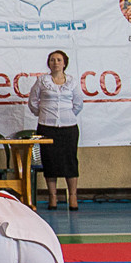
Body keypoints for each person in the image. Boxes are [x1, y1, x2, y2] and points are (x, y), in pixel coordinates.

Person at [27, 49, 84, 210]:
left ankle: (72, 196)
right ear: (49, 63)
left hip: (69, 128)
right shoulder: (42, 81)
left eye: (59, 60)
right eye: (52, 60)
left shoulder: (72, 82)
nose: (55, 63)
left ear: (64, 63)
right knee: (49, 161)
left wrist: (67, 116)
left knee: (70, 161)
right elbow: (33, 101)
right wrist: (43, 114)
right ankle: (52, 197)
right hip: (47, 127)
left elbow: (78, 104)